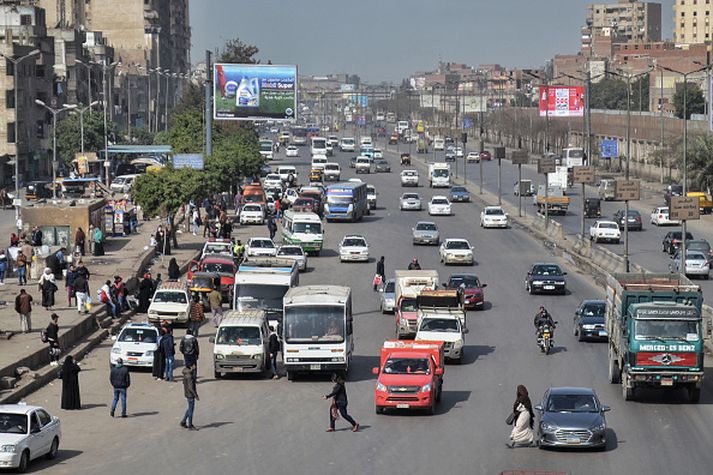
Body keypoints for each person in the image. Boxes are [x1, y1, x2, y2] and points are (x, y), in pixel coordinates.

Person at [180, 363, 199, 430]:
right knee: (191, 410)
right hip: (190, 394)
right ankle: (190, 425)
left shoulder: (185, 373)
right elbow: (191, 387)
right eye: (194, 365)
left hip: (187, 393)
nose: (195, 366)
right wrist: (196, 395)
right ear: (191, 366)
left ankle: (183, 421)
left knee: (189, 408)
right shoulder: (189, 376)